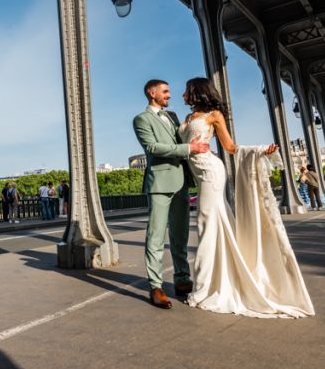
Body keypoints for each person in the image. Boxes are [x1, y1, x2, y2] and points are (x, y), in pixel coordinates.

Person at [177, 77, 314, 318]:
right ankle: (217, 280)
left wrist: (261, 150)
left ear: (197, 92)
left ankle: (205, 286)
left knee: (206, 224)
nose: (182, 95)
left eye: (186, 91)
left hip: (211, 172)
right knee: (214, 224)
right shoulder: (187, 118)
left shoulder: (214, 115)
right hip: (199, 176)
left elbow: (230, 147)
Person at [133, 79, 209, 310]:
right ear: (152, 92)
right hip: (159, 182)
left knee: (180, 233)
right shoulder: (141, 119)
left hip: (181, 182)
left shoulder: (174, 116)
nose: (169, 95)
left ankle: (182, 279)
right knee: (155, 236)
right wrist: (188, 149)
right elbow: (153, 148)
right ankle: (155, 287)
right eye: (165, 91)